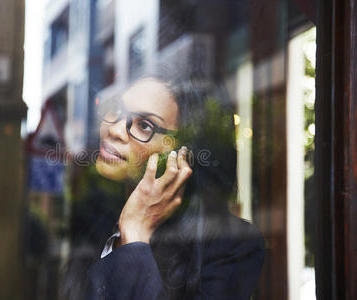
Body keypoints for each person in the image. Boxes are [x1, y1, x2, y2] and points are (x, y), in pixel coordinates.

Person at [61, 71, 265, 300]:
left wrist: (136, 235)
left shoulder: (231, 246)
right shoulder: (94, 221)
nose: (115, 130)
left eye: (145, 126)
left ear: (181, 154)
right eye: (117, 110)